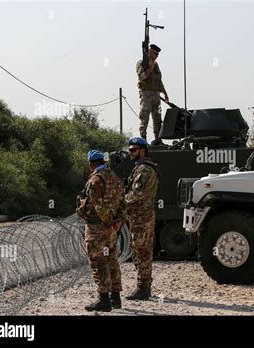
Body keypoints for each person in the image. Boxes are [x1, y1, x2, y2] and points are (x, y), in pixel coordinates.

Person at [76, 150, 125, 312]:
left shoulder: (95, 180)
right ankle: (115, 298)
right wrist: (117, 221)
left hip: (97, 227)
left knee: (98, 261)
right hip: (112, 229)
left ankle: (103, 299)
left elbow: (97, 206)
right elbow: (122, 203)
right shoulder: (115, 178)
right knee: (111, 259)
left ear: (92, 164)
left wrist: (108, 221)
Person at [124, 137, 160, 300]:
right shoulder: (140, 168)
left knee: (142, 251)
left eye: (133, 150)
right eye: (129, 150)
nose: (130, 153)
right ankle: (143, 286)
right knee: (139, 250)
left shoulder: (144, 170)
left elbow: (137, 193)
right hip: (139, 216)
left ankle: (143, 288)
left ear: (142, 151)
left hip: (142, 217)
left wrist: (120, 203)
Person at [136, 44, 169, 145]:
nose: (156, 56)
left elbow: (159, 80)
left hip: (156, 95)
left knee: (158, 117)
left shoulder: (156, 65)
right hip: (146, 95)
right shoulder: (142, 63)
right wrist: (149, 69)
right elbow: (142, 77)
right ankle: (143, 139)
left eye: (157, 54)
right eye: (155, 53)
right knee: (144, 117)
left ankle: (158, 139)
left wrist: (164, 92)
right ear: (149, 52)